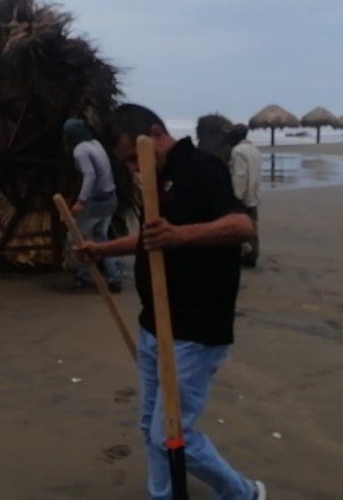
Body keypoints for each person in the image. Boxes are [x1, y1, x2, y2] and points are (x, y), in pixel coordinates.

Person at [74, 104, 265, 500]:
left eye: (133, 159)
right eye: (125, 163)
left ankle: (243, 493)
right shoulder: (156, 179)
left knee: (172, 433)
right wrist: (103, 249)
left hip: (195, 330)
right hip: (154, 325)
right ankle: (162, 494)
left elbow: (242, 226)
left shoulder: (201, 169)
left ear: (157, 135)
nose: (132, 170)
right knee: (150, 427)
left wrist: (181, 236)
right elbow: (150, 239)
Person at [62, 118, 122, 293]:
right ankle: (113, 276)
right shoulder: (96, 144)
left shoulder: (80, 151)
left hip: (96, 202)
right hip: (111, 198)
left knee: (76, 238)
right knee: (100, 236)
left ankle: (84, 276)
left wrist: (80, 202)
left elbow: (89, 175)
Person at [226, 124, 261, 268]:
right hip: (254, 194)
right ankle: (253, 256)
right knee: (252, 227)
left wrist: (236, 197)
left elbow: (240, 175)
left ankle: (248, 256)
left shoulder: (237, 151)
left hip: (243, 196)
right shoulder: (255, 150)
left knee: (240, 229)